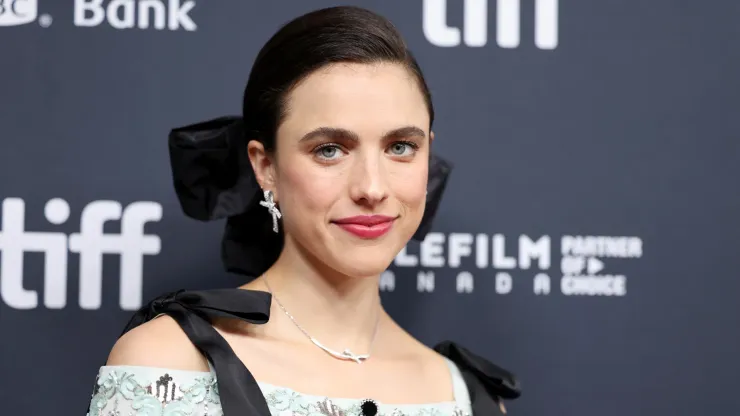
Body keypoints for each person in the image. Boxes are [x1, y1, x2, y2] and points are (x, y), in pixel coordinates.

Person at [85, 6, 520, 416]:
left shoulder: (468, 397)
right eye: (330, 150)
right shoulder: (172, 363)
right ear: (265, 166)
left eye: (400, 147)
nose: (371, 187)